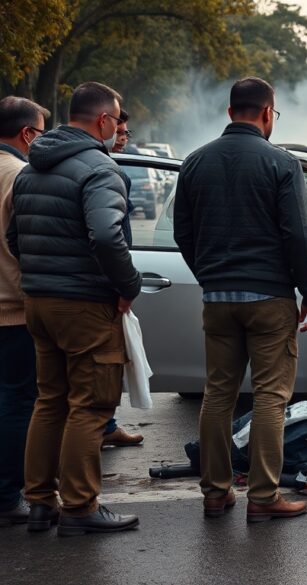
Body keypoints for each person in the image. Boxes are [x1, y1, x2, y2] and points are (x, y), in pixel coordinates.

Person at [174, 77, 307, 522]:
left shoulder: (195, 163)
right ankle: (263, 497)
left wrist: (210, 276)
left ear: (230, 111)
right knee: (270, 398)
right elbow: (299, 235)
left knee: (218, 394)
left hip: (218, 298)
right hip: (269, 298)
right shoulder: (281, 164)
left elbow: (183, 233)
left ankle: (215, 494)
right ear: (266, 113)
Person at [7, 82, 141, 535]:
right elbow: (106, 236)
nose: (117, 126)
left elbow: (13, 239)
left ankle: (40, 502)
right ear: (103, 120)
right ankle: (81, 507)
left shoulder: (30, 168)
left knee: (50, 401)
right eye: (117, 118)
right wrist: (128, 284)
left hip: (39, 301)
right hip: (84, 304)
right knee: (91, 405)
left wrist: (40, 273)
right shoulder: (100, 169)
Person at [0, 97, 49, 527]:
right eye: (41, 131)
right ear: (27, 134)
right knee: (18, 400)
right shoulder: (20, 175)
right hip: (12, 308)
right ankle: (5, 495)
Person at [102, 109, 144, 448]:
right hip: (98, 290)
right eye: (122, 130)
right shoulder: (107, 172)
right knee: (100, 376)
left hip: (44, 292)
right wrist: (128, 284)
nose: (124, 138)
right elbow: (112, 237)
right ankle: (80, 498)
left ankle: (107, 424)